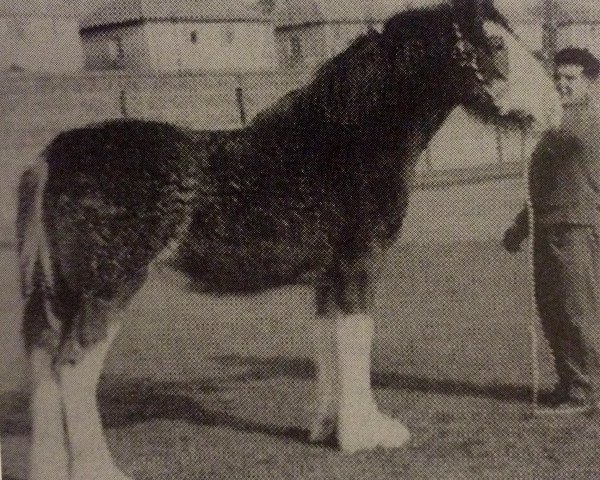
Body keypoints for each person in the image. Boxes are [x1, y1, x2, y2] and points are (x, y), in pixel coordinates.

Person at [504, 47, 600, 410]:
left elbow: (567, 139)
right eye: (557, 78)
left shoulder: (586, 122)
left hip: (577, 227)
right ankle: (570, 382)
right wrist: (519, 228)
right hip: (547, 227)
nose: (561, 85)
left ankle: (585, 390)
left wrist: (527, 118)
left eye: (570, 79)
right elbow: (539, 187)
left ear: (590, 83)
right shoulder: (554, 125)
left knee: (576, 309)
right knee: (552, 308)